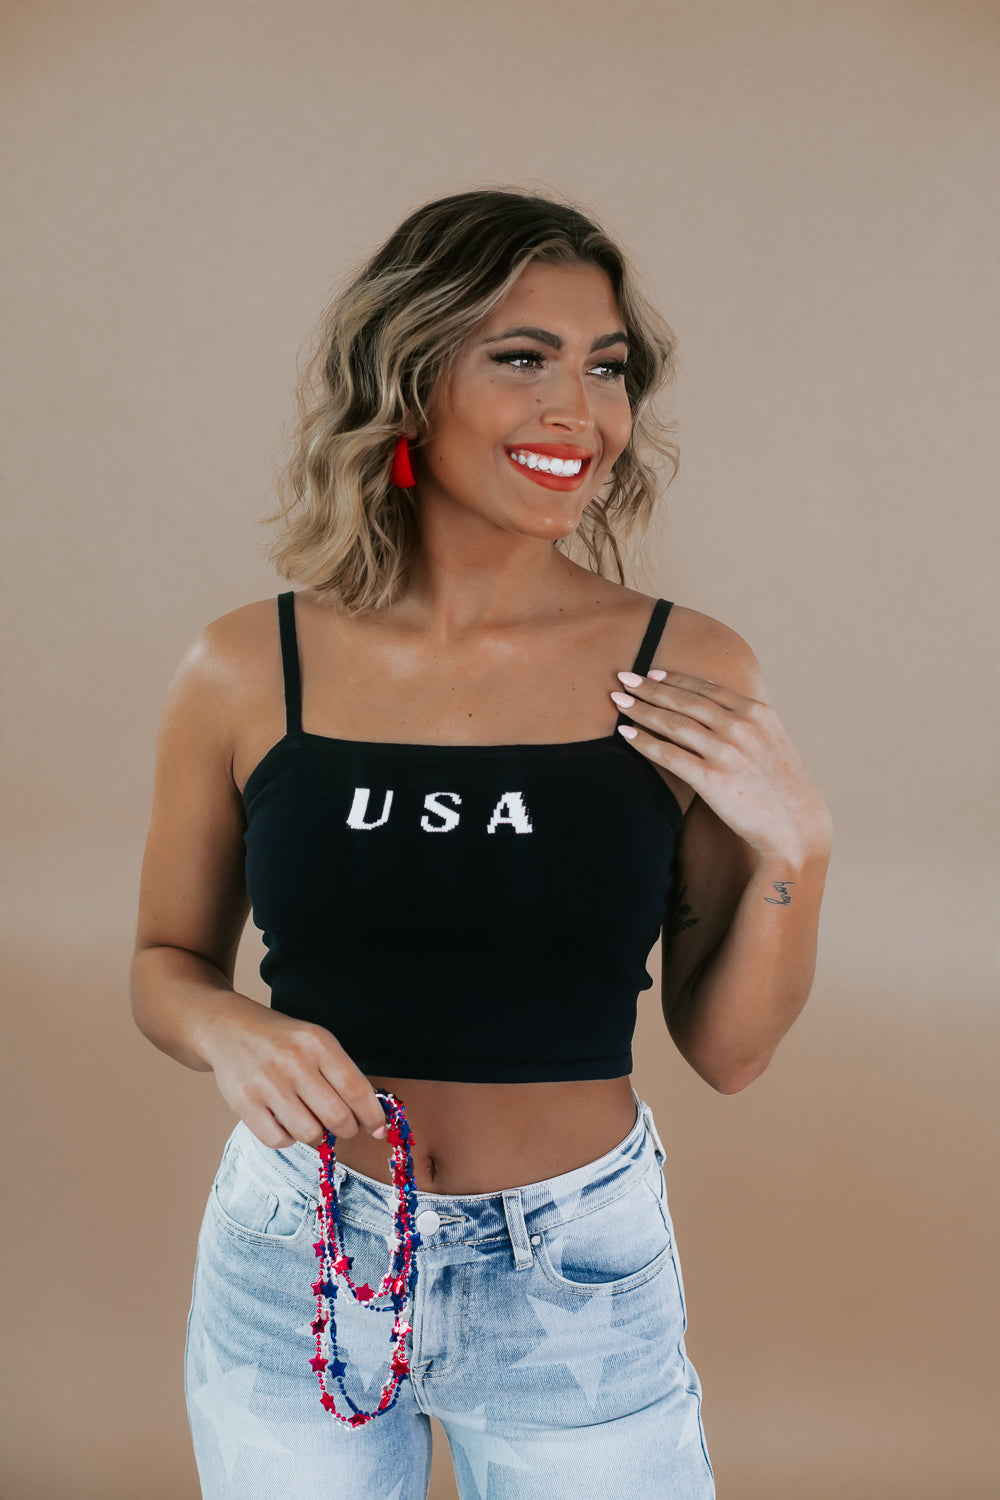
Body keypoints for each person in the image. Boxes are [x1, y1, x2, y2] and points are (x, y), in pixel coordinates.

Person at [131, 187, 832, 1500]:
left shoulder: (680, 668)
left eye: (606, 368)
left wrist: (800, 852)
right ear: (410, 379)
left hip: (576, 1277)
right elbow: (165, 961)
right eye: (523, 358)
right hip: (297, 1255)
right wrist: (230, 1029)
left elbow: (729, 1054)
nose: (581, 410)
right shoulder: (246, 668)